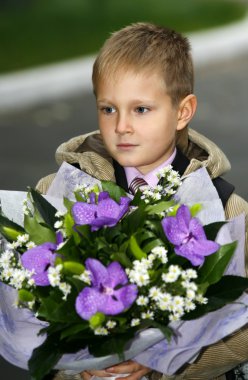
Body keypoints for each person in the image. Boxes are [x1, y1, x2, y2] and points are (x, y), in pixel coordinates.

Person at [36, 22, 248, 380]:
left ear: (183, 111)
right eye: (108, 109)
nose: (121, 126)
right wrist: (74, 367)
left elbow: (240, 331)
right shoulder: (58, 194)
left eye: (141, 110)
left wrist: (164, 364)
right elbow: (32, 309)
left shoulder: (228, 210)